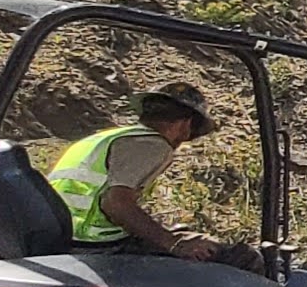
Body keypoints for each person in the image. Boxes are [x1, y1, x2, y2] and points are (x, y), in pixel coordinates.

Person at [47, 83, 261, 270]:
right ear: (186, 125)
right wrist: (174, 244)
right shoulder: (153, 145)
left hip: (64, 236)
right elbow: (115, 204)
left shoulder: (108, 138)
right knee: (241, 258)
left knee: (180, 234)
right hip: (94, 248)